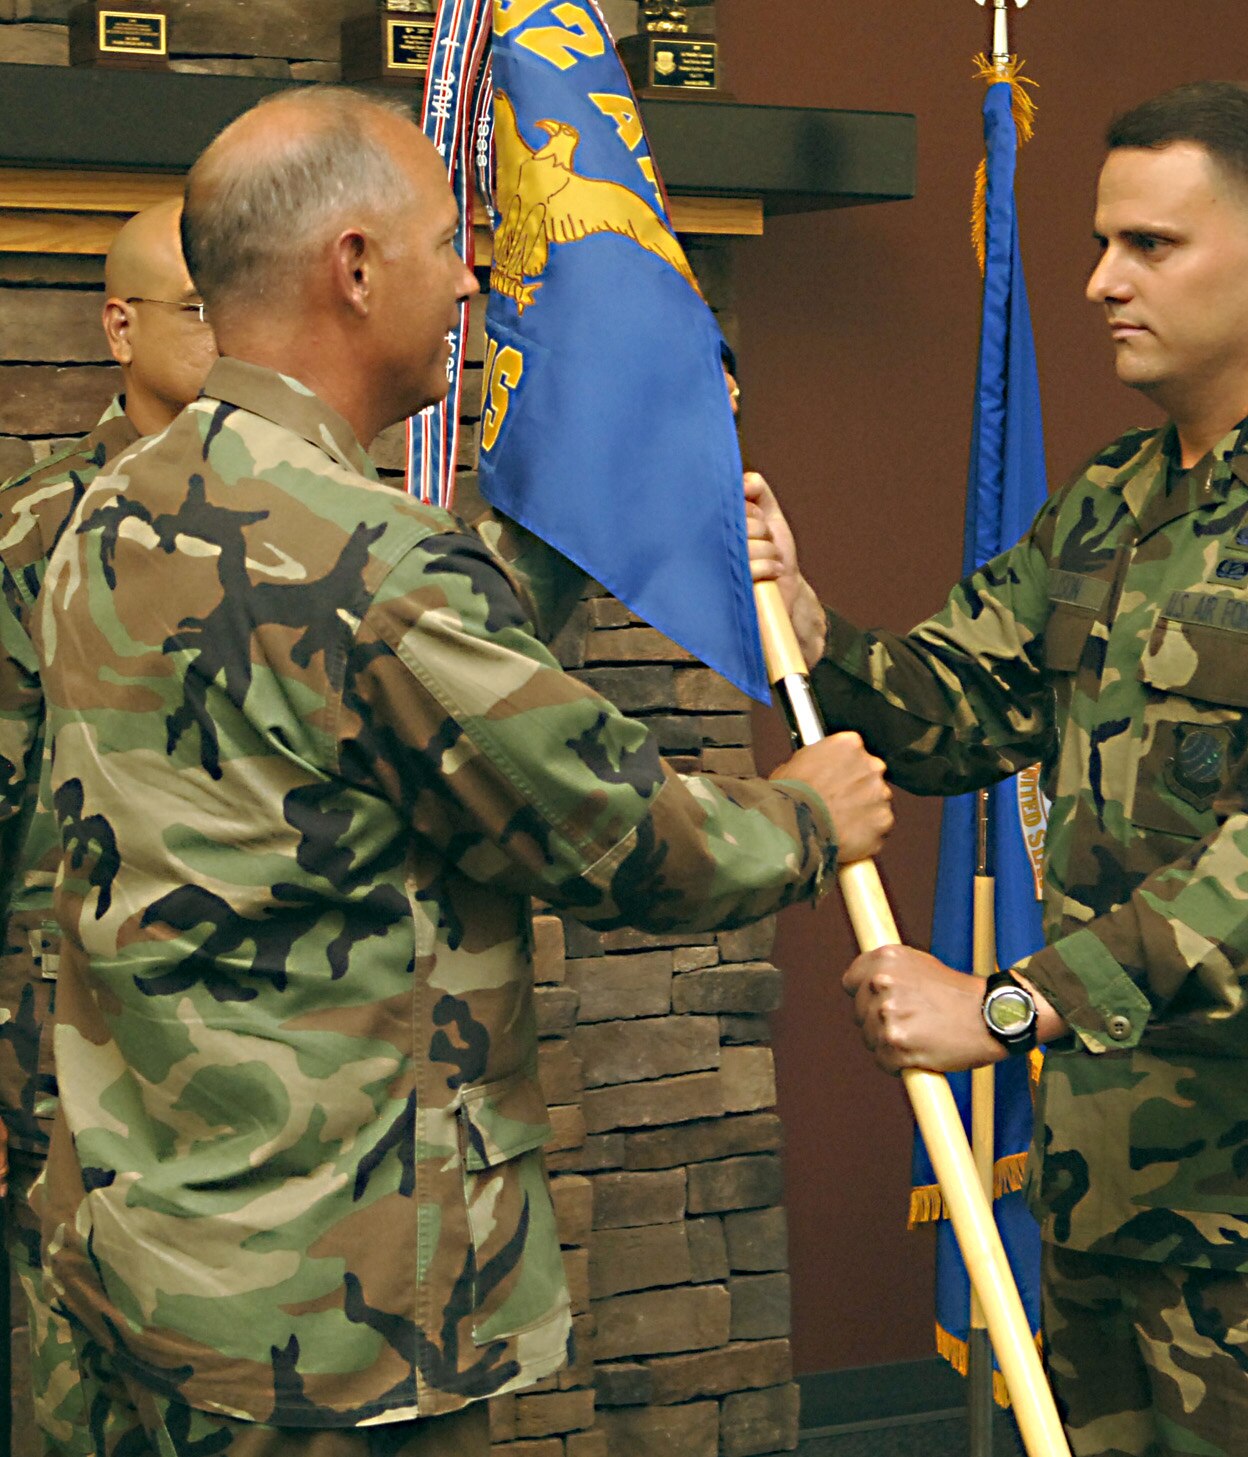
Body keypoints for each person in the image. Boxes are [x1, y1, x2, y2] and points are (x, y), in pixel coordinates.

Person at [18, 86, 891, 1454]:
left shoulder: (105, 512)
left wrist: (564, 523)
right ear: (355, 268)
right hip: (331, 1321)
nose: (473, 280)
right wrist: (807, 816)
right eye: (448, 243)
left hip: (142, 1264)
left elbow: (387, 699)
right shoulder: (368, 559)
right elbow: (619, 837)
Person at [751, 81, 1248, 1457]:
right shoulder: (1114, 501)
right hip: (1109, 1195)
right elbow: (959, 706)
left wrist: (1001, 1006)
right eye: (1103, 244)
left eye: (1149, 245)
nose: (1102, 280)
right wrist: (814, 629)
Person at [0, 197, 215, 1457]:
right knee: (85, 1391)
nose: (224, 333)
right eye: (196, 308)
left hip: (249, 1024)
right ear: (119, 326)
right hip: (68, 1026)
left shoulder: (310, 514)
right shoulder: (40, 526)